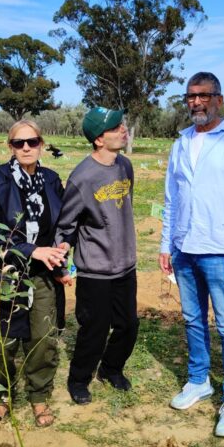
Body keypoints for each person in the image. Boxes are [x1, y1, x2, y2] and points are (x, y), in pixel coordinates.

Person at [159, 72, 224, 437]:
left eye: (204, 96)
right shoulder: (182, 141)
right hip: (185, 248)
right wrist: (165, 244)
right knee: (192, 319)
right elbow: (172, 198)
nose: (196, 103)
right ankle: (199, 379)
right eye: (190, 97)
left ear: (219, 98)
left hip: (222, 251)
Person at [0, 120, 67, 427]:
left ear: (41, 144)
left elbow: (60, 226)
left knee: (43, 336)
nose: (26, 147)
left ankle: (39, 396)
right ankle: (3, 396)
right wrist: (30, 250)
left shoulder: (51, 179)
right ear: (10, 147)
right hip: (4, 273)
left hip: (42, 273)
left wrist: (61, 261)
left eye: (32, 141)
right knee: (2, 339)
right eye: (19, 143)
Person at [55, 107, 138, 405]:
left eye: (121, 124)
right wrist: (62, 260)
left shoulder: (125, 166)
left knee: (129, 325)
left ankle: (111, 369)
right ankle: (79, 379)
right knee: (95, 329)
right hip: (95, 270)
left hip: (126, 264)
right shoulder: (82, 177)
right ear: (99, 140)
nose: (123, 130)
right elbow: (66, 224)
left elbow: (123, 207)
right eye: (116, 127)